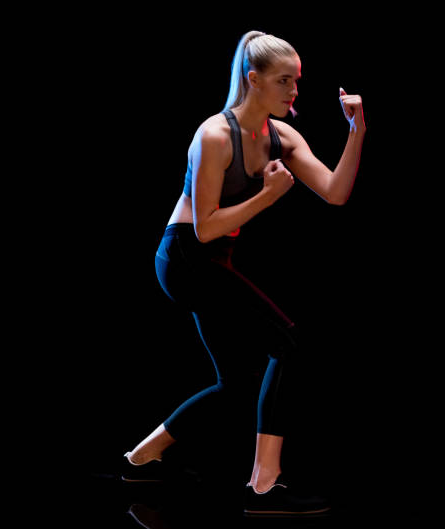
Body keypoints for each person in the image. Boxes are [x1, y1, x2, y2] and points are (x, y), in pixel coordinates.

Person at [123, 30, 365, 516]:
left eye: (296, 81)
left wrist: (357, 130)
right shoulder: (213, 135)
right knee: (288, 343)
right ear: (252, 80)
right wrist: (268, 197)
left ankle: (141, 456)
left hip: (214, 262)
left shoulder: (282, 135)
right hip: (185, 259)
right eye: (283, 81)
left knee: (237, 382)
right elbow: (207, 229)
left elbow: (336, 193)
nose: (293, 92)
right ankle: (263, 484)